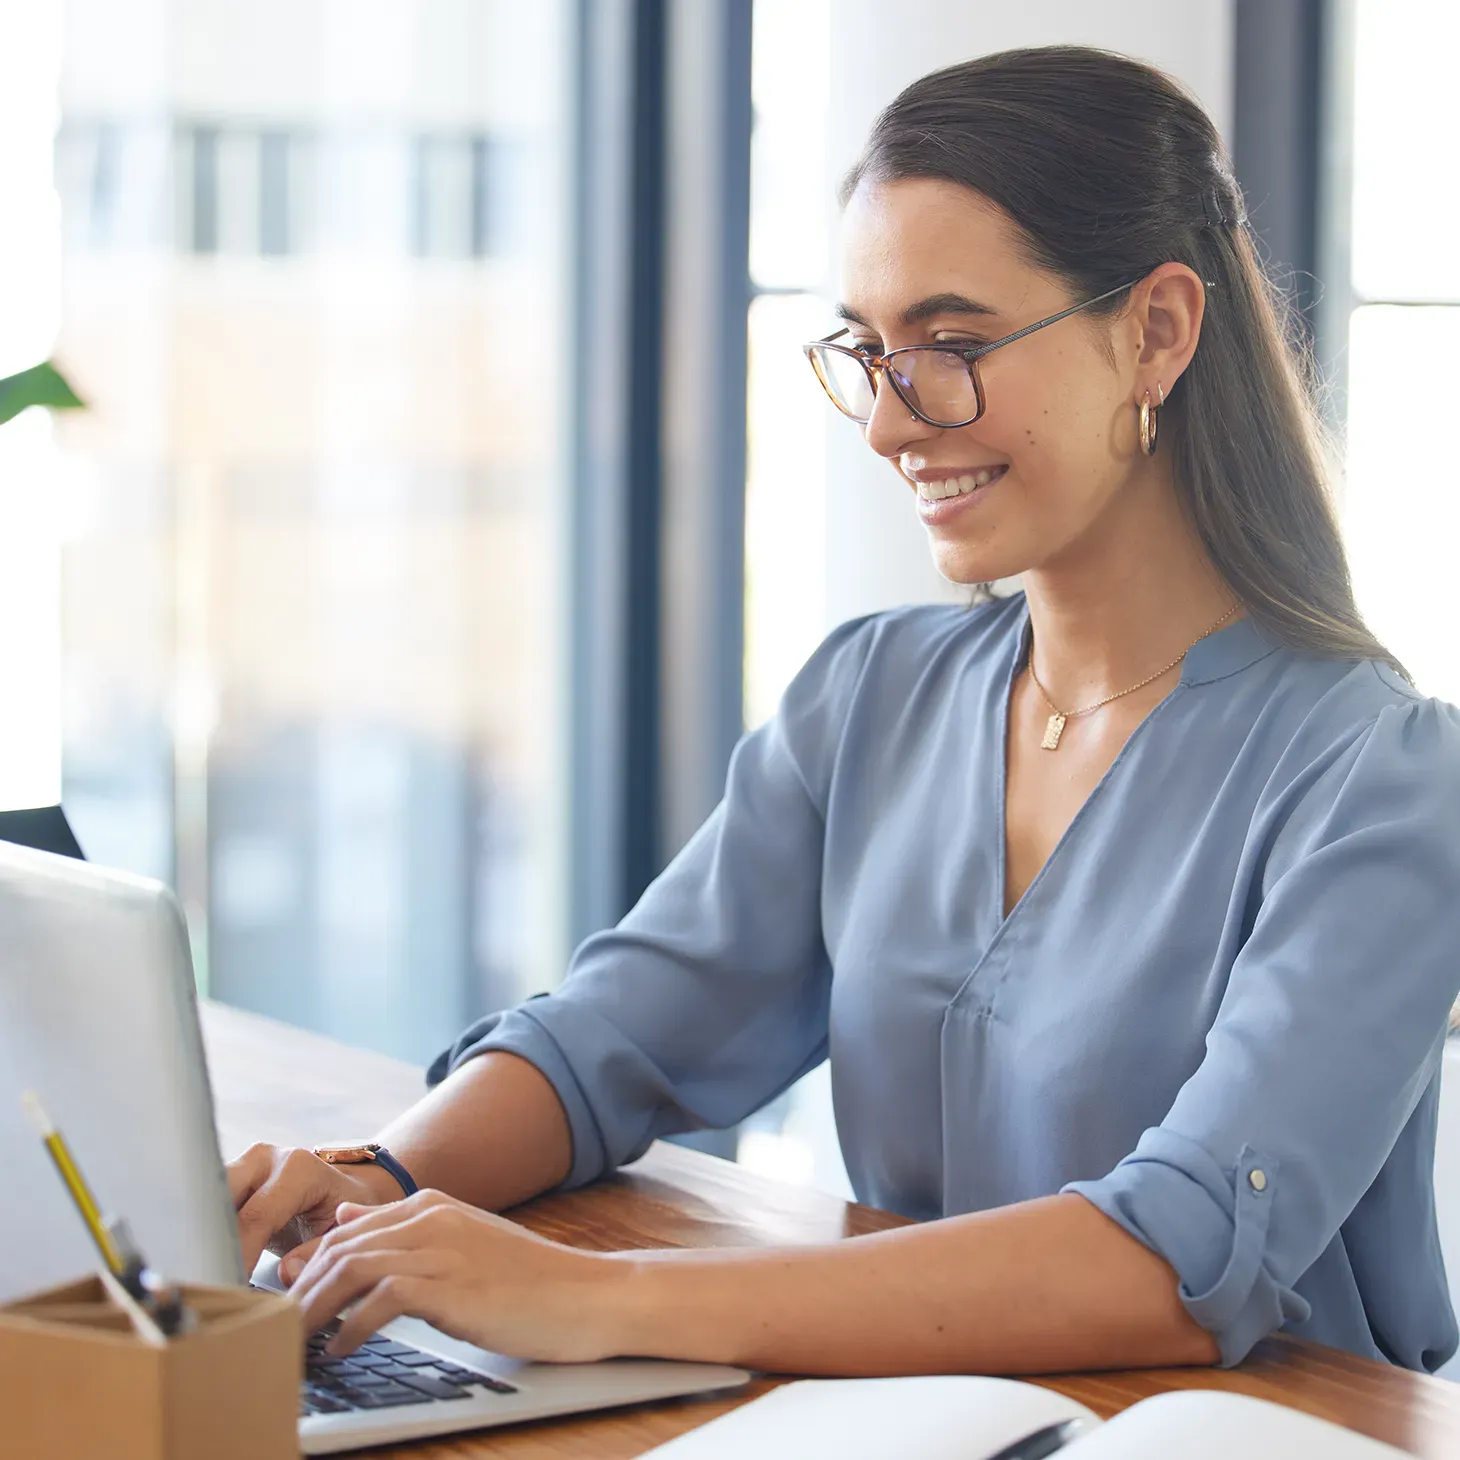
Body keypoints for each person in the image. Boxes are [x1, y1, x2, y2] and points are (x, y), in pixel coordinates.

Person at [229, 45, 1460, 1377]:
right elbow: (614, 1038)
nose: (889, 420)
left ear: (1157, 330)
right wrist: (387, 1181)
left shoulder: (1382, 779)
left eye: (952, 344)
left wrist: (594, 1297)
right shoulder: (873, 698)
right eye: (869, 351)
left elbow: (1186, 1251)